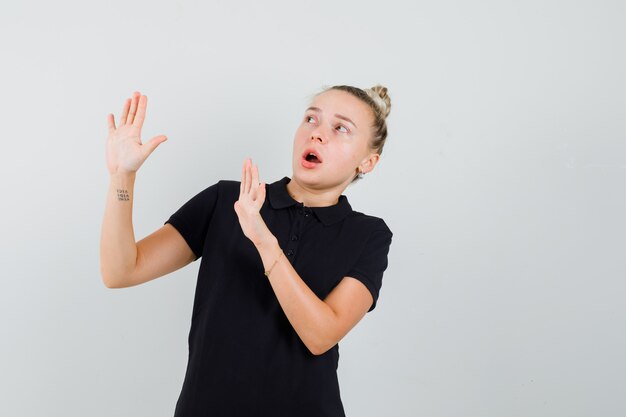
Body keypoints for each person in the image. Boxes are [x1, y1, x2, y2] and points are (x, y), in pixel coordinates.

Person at [100, 84, 394, 417]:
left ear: (368, 162)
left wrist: (264, 241)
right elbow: (121, 271)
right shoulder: (227, 201)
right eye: (311, 119)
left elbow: (320, 336)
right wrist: (122, 177)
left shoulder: (369, 235)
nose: (317, 134)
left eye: (340, 128)